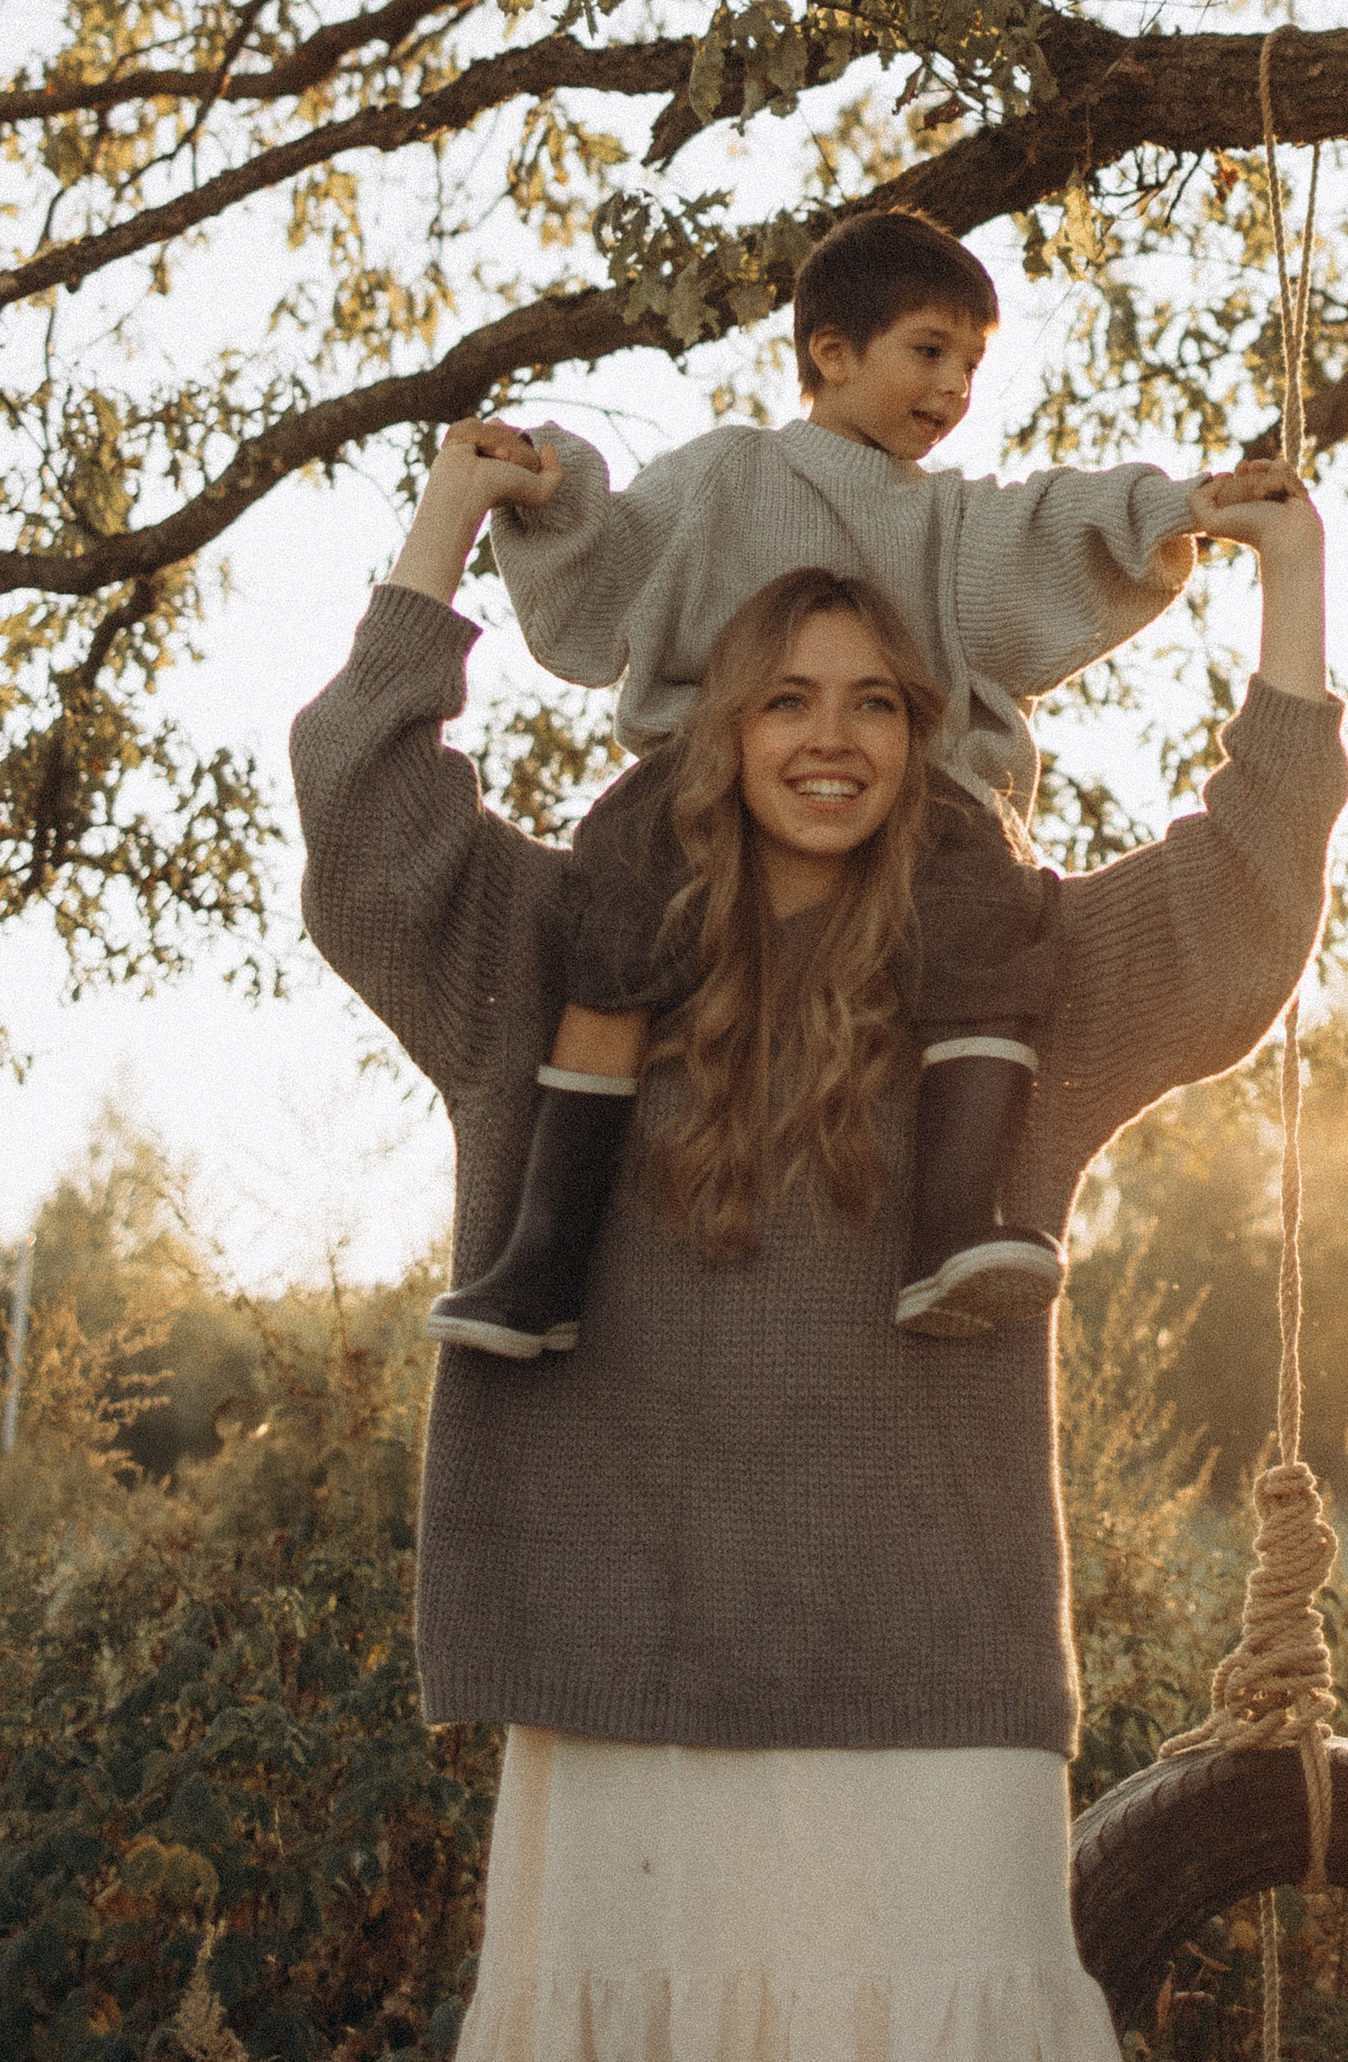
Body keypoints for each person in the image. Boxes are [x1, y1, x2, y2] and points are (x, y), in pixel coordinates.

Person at [292, 418, 1343, 2062]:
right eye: (785, 700)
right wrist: (448, 519)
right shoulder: (548, 954)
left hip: (929, 1676)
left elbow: (1241, 904)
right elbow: (366, 819)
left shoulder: (1017, 975)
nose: (832, 738)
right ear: (719, 729)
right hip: (623, 1668)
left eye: (875, 703)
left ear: (925, 737)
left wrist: (1292, 584)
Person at [430, 209, 1294, 1360]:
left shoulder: (946, 522)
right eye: (928, 351)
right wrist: (551, 488)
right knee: (615, 895)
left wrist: (1175, 508)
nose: (953, 388)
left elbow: (1053, 521)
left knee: (988, 902)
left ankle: (954, 1226)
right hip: (707, 776)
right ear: (832, 351)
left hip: (911, 801)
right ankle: (543, 1259)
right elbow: (622, 553)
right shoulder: (730, 475)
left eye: (971, 365)